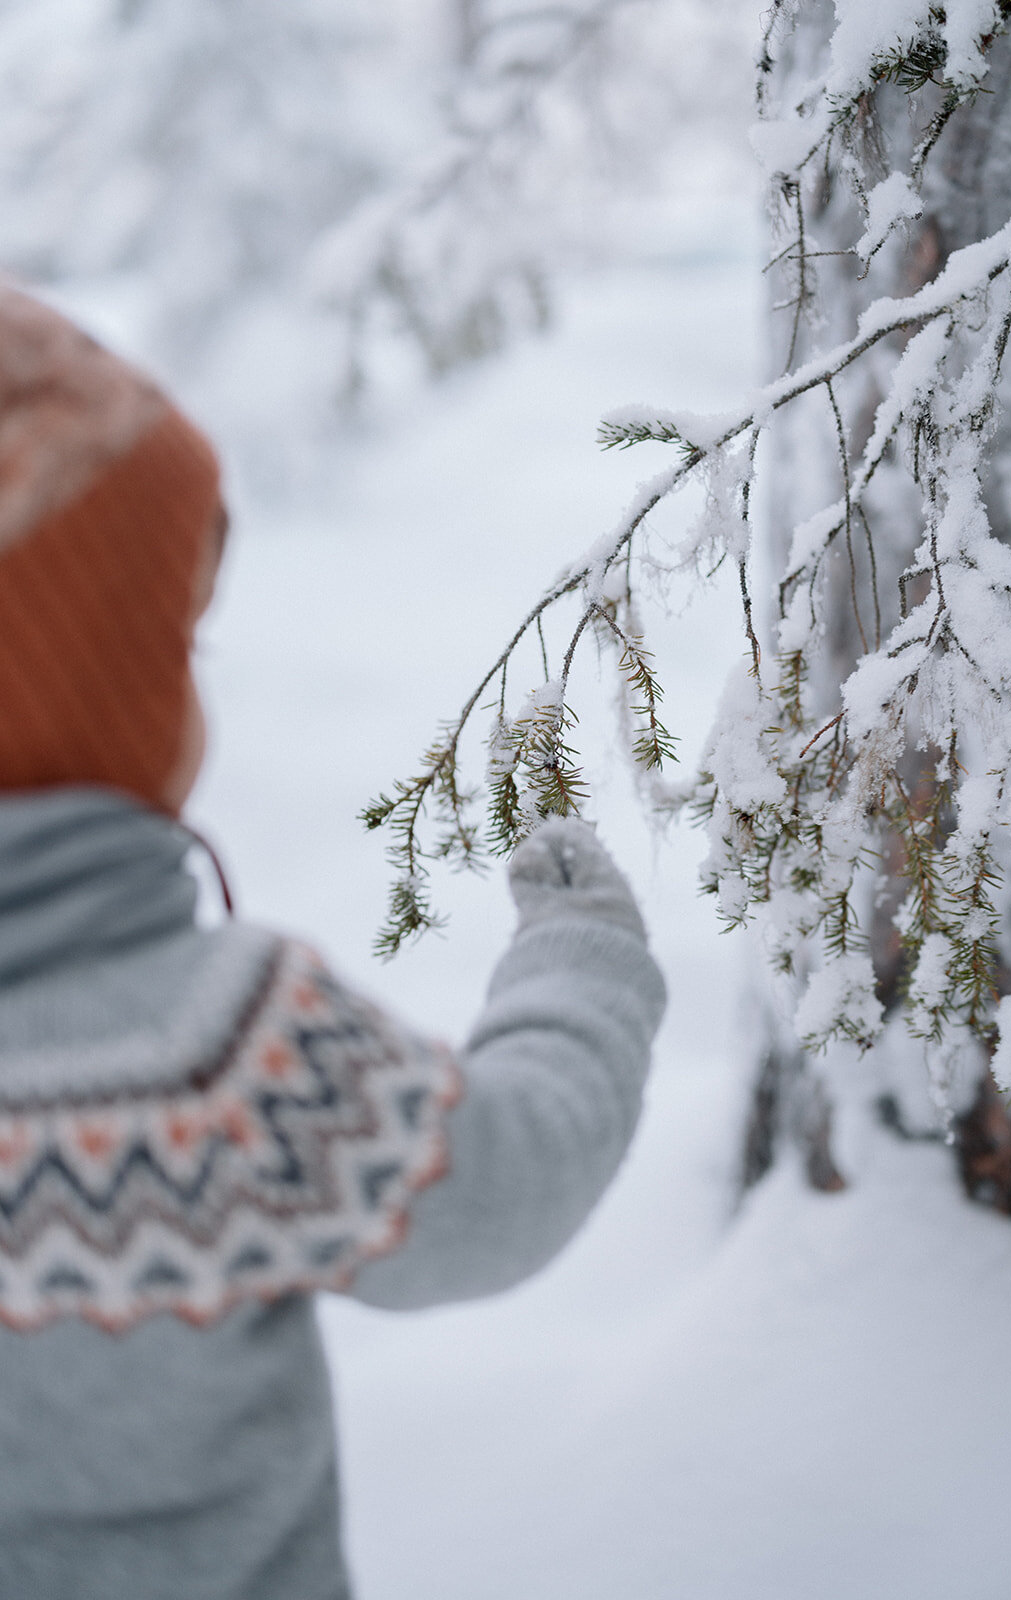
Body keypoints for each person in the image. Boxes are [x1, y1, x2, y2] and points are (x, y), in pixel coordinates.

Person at [0, 284, 666, 1599]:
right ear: (89, 705)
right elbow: (506, 1191)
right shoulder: (213, 1055)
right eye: (172, 647)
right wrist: (580, 951)